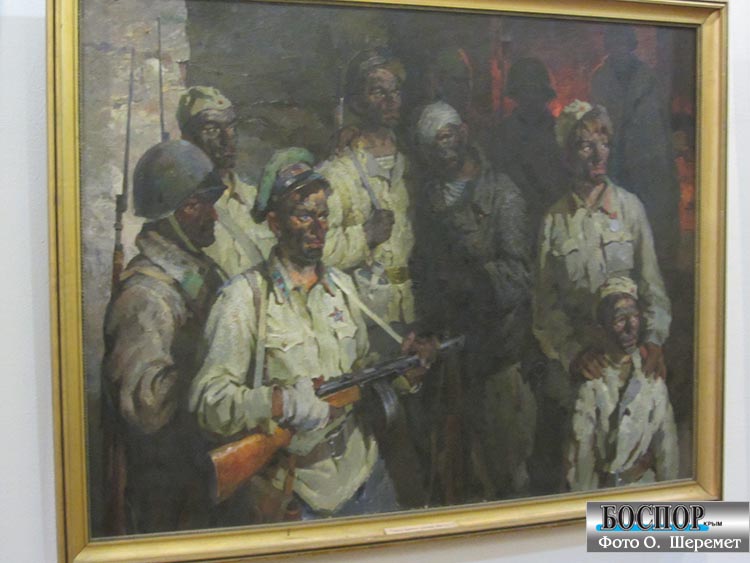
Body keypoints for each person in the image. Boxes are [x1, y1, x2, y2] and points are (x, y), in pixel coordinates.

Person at [189, 148, 432, 521]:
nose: (318, 227)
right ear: (275, 223)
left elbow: (360, 372)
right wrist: (280, 403)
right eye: (304, 215)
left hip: (365, 479)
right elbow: (209, 402)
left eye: (323, 215)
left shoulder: (342, 287)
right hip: (296, 494)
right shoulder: (244, 298)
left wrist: (405, 374)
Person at [532, 101, 671, 492]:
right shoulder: (554, 221)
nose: (598, 154)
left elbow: (653, 287)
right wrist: (573, 353)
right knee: (582, 479)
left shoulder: (630, 209)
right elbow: (544, 309)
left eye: (604, 142)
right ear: (567, 155)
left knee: (642, 474)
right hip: (583, 372)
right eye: (585, 145)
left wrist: (654, 339)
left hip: (632, 365)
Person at [102, 140, 227, 533]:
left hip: (205, 473)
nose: (213, 214)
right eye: (195, 205)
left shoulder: (198, 273)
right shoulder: (146, 296)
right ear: (167, 217)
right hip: (168, 490)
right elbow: (147, 409)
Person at [412, 101, 535, 501]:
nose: (443, 149)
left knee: (503, 472)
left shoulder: (502, 194)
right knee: (454, 477)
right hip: (446, 360)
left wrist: (472, 283)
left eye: (447, 137)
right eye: (433, 144)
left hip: (494, 355)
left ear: (463, 133)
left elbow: (519, 276)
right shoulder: (429, 198)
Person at [318, 47, 415, 336]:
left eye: (395, 91)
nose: (390, 100)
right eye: (378, 92)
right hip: (361, 320)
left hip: (408, 313)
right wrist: (366, 237)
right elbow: (319, 250)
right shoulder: (338, 173)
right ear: (357, 102)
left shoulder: (411, 163)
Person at [566, 276, 679, 491]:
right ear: (602, 328)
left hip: (646, 491)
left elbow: (667, 450)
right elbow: (581, 462)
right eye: (620, 319)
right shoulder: (592, 383)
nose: (630, 327)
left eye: (635, 316)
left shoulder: (651, 378)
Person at [591, 26, 680, 261]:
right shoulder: (600, 79)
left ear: (631, 46)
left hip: (646, 162)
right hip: (613, 163)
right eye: (614, 44)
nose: (618, 49)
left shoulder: (648, 79)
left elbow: (658, 125)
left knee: (649, 221)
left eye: (623, 44)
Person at [178, 86, 275, 276]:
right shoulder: (185, 208)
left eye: (231, 126)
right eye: (212, 129)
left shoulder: (255, 198)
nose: (227, 138)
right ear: (187, 139)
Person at [493, 57, 569, 242]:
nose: (530, 97)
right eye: (525, 91)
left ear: (544, 94)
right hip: (517, 222)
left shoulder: (561, 130)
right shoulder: (503, 134)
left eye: (535, 90)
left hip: (556, 219)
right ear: (516, 95)